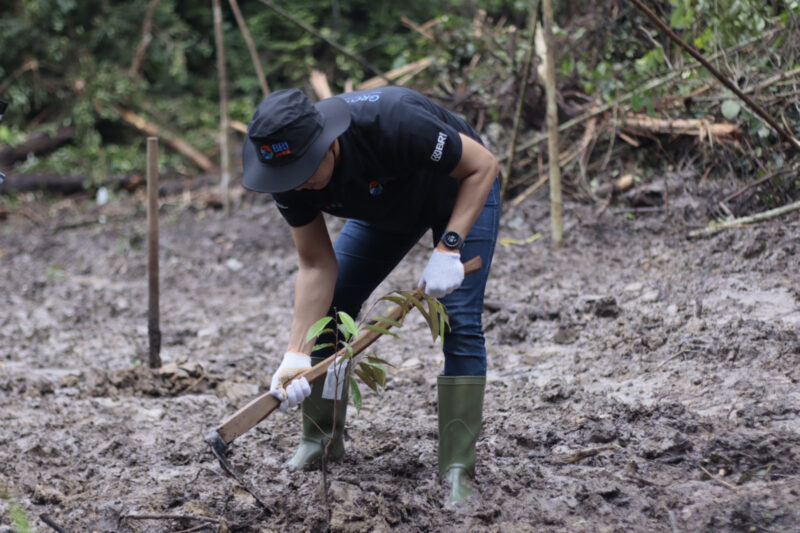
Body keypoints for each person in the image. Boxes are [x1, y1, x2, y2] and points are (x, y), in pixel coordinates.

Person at [242, 86, 500, 502]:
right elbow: (315, 265)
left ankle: (457, 468)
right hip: (383, 209)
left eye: (306, 171)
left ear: (328, 143)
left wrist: (449, 245)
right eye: (289, 178)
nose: (299, 185)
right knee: (333, 306)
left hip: (457, 190)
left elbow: (483, 165)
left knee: (460, 317)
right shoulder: (285, 170)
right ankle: (319, 441)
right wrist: (296, 355)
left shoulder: (394, 123)